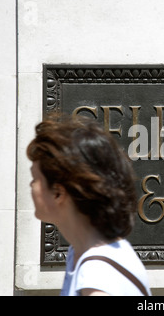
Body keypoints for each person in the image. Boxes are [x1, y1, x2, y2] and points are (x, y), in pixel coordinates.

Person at [27, 115, 151, 296]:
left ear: (58, 193)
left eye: (35, 178)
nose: (30, 186)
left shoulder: (98, 277)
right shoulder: (81, 254)